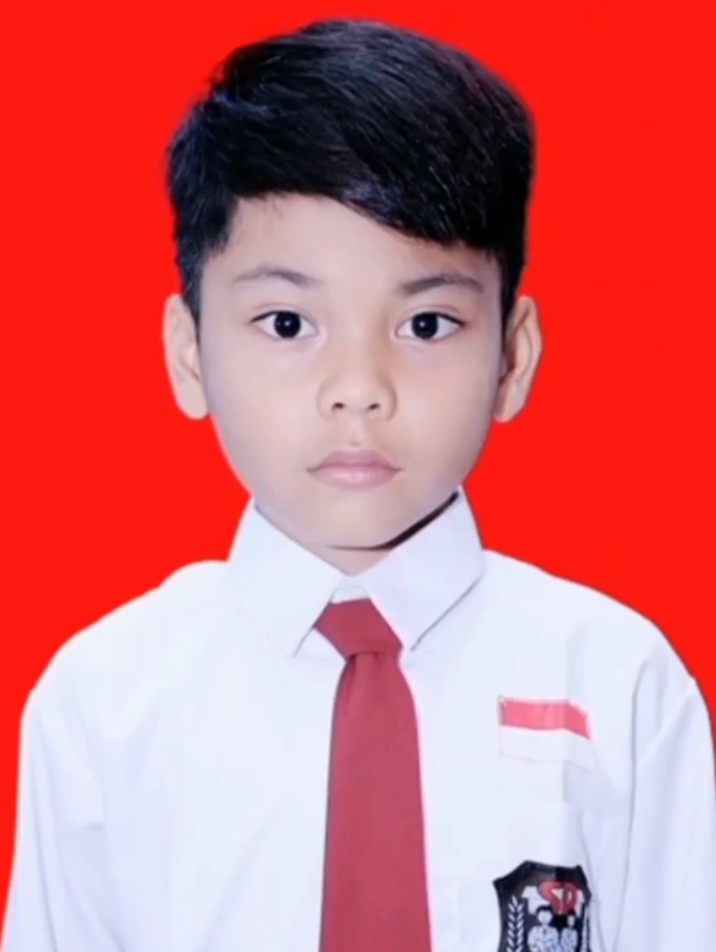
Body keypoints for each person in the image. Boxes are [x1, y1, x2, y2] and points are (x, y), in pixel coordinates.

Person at [2, 16, 715, 952]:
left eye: (425, 325)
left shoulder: (621, 686)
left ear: (512, 358)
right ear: (189, 353)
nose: (359, 389)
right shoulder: (105, 701)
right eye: (288, 324)